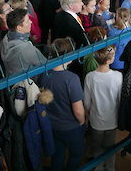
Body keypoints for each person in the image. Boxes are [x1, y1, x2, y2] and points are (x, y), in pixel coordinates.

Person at [38, 38, 85, 171]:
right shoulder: (72, 79)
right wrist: (81, 122)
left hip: (51, 125)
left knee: (57, 155)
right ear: (68, 56)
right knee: (77, 154)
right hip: (70, 127)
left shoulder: (43, 75)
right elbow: (78, 111)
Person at [83, 46, 122, 171]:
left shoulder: (90, 77)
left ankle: (98, 168)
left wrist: (89, 112)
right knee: (110, 148)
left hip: (95, 120)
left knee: (97, 148)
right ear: (108, 61)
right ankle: (110, 168)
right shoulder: (118, 76)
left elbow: (87, 102)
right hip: (112, 119)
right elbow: (120, 99)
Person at [0, 8, 46, 76]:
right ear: (19, 27)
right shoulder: (27, 49)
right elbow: (45, 64)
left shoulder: (5, 39)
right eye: (27, 21)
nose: (31, 22)